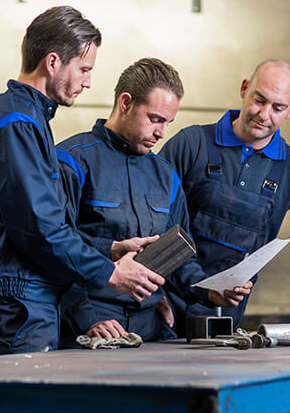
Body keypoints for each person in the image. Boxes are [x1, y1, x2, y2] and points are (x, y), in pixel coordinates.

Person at [0, 7, 164, 356]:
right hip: (16, 308)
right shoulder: (16, 124)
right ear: (53, 62)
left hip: (27, 304)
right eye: (84, 69)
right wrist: (110, 273)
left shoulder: (27, 120)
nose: (87, 81)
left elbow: (43, 223)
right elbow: (39, 229)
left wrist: (110, 249)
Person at [56, 58, 252, 341]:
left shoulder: (165, 175)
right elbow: (53, 248)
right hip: (91, 326)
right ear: (125, 103)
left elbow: (178, 258)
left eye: (168, 123)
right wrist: (86, 319)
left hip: (151, 327)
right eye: (155, 119)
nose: (161, 133)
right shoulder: (73, 160)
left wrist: (209, 290)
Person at [160, 59, 290, 332]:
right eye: (259, 100)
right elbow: (150, 223)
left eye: (278, 108)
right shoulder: (191, 144)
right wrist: (151, 295)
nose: (264, 114)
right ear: (244, 89)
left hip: (223, 324)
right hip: (161, 312)